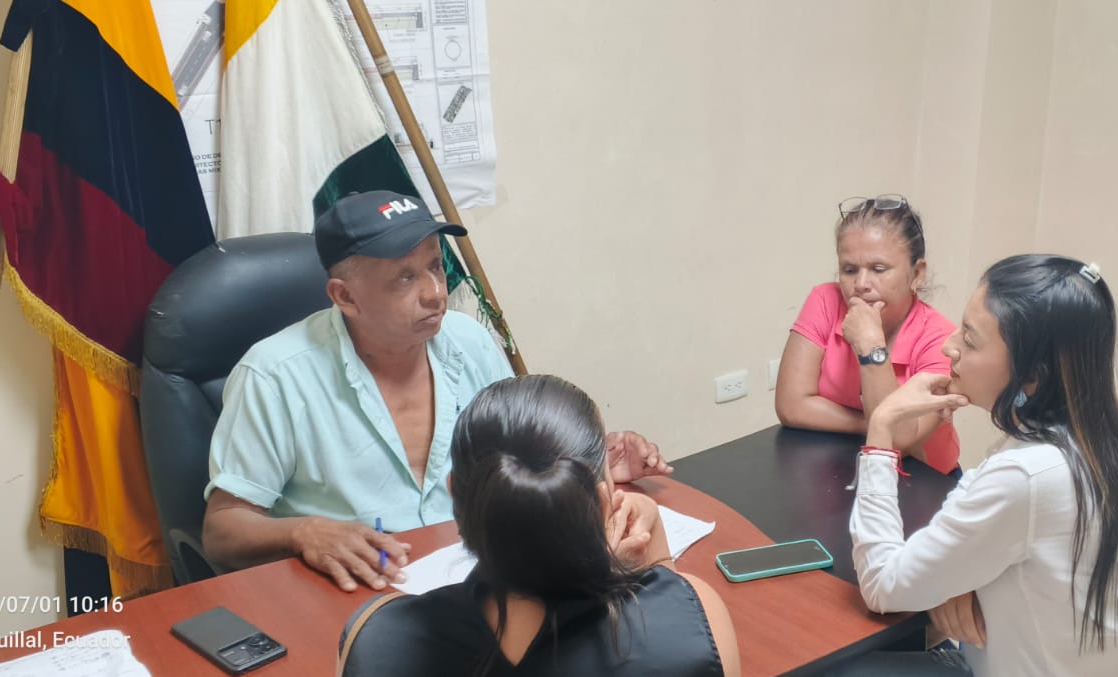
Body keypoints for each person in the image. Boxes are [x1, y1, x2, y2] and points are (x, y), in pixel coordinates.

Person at [202, 191, 670, 592]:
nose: (435, 293)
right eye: (405, 278)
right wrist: (304, 532)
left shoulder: (469, 340)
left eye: (434, 266)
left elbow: (518, 459)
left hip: (480, 575)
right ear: (345, 297)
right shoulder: (274, 376)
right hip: (353, 592)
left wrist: (586, 465)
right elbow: (222, 532)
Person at [846, 255, 1118, 676]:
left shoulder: (1028, 474)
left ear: (1032, 373)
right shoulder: (1114, 444)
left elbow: (883, 586)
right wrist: (964, 581)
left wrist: (882, 427)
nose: (949, 346)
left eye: (971, 340)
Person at [337, 375, 740, 676]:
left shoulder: (375, 640)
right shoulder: (696, 621)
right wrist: (656, 558)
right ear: (604, 506)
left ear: (456, 495)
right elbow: (671, 622)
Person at [775, 194, 961, 475]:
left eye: (878, 269)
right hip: (839, 465)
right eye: (849, 270)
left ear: (917, 273)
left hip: (926, 478)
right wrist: (874, 424)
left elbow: (896, 442)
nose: (861, 284)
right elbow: (791, 406)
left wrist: (870, 344)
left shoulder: (941, 339)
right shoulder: (825, 300)